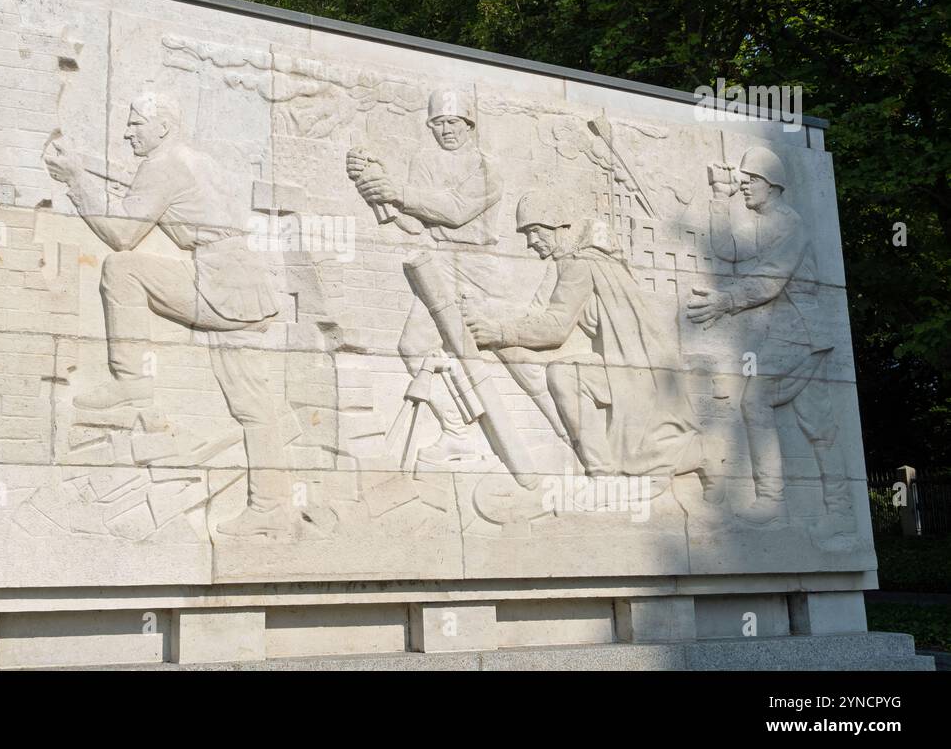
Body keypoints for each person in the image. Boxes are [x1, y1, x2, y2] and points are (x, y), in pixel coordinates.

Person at [45, 92, 290, 537]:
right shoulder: (194, 160)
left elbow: (123, 234)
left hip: (219, 283)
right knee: (251, 405)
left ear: (162, 127)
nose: (127, 132)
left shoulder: (164, 166)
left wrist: (76, 181)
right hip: (243, 283)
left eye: (136, 124)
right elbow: (150, 188)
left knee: (123, 269)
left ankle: (132, 383)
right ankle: (270, 508)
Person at [461, 189, 725, 500]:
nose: (530, 242)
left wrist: (500, 332)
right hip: (628, 362)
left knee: (570, 380)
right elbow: (537, 311)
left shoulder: (580, 261)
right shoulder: (571, 260)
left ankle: (624, 470)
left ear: (556, 225)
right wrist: (489, 317)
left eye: (533, 231)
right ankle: (614, 470)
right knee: (573, 380)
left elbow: (556, 327)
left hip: (637, 365)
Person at [686, 147, 852, 537]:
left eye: (751, 180)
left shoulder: (790, 225)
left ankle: (771, 501)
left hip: (800, 330)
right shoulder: (765, 224)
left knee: (755, 400)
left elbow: (770, 280)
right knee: (821, 426)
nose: (744, 185)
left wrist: (726, 301)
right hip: (796, 331)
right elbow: (726, 251)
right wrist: (717, 200)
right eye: (742, 180)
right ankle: (840, 511)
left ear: (772, 185)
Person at [346, 89, 514, 462]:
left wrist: (399, 191)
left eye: (453, 122)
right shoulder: (423, 160)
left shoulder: (487, 167)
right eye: (437, 123)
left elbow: (455, 211)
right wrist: (372, 184)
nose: (446, 130)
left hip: (477, 267)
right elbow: (412, 222)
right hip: (439, 264)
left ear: (469, 124)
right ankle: (457, 433)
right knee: (413, 347)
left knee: (515, 362)